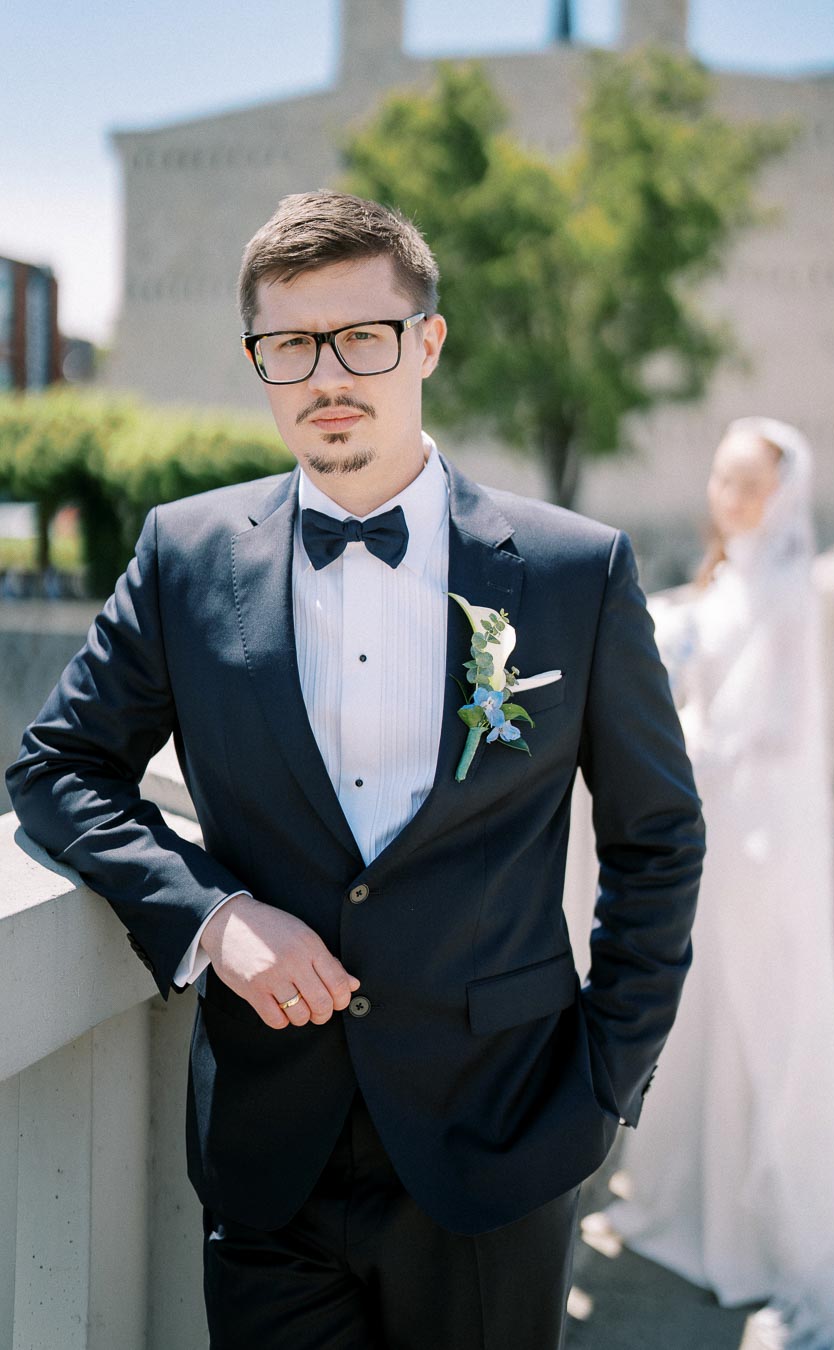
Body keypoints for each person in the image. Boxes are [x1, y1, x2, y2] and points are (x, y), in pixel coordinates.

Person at [6, 191, 704, 1350]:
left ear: (426, 342)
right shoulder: (183, 557)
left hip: (507, 1137)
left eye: (362, 337)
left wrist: (604, 1086)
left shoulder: (576, 571)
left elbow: (658, 838)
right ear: (261, 365)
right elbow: (60, 768)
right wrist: (213, 914)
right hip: (267, 1158)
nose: (328, 374)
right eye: (290, 345)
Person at [582, 418, 834, 1348]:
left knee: (754, 1023)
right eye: (724, 479)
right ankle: (698, 1204)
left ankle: (754, 1226)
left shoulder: (787, 593)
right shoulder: (730, 575)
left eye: (749, 484)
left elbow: (742, 733)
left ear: (781, 494)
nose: (731, 497)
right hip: (721, 836)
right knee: (704, 1021)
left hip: (750, 848)